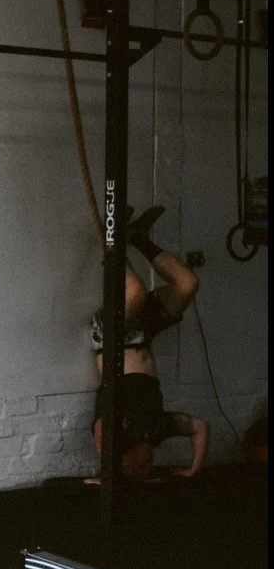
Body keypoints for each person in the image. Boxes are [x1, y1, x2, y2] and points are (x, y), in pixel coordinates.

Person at [88, 205, 210, 482]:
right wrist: (192, 469)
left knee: (136, 291)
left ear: (122, 459)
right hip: (144, 331)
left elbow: (101, 437)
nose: (149, 465)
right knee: (188, 283)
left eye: (139, 468)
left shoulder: (117, 429)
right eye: (147, 469)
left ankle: (112, 242)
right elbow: (201, 427)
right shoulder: (157, 430)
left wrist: (107, 477)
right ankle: (139, 238)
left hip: (112, 337)